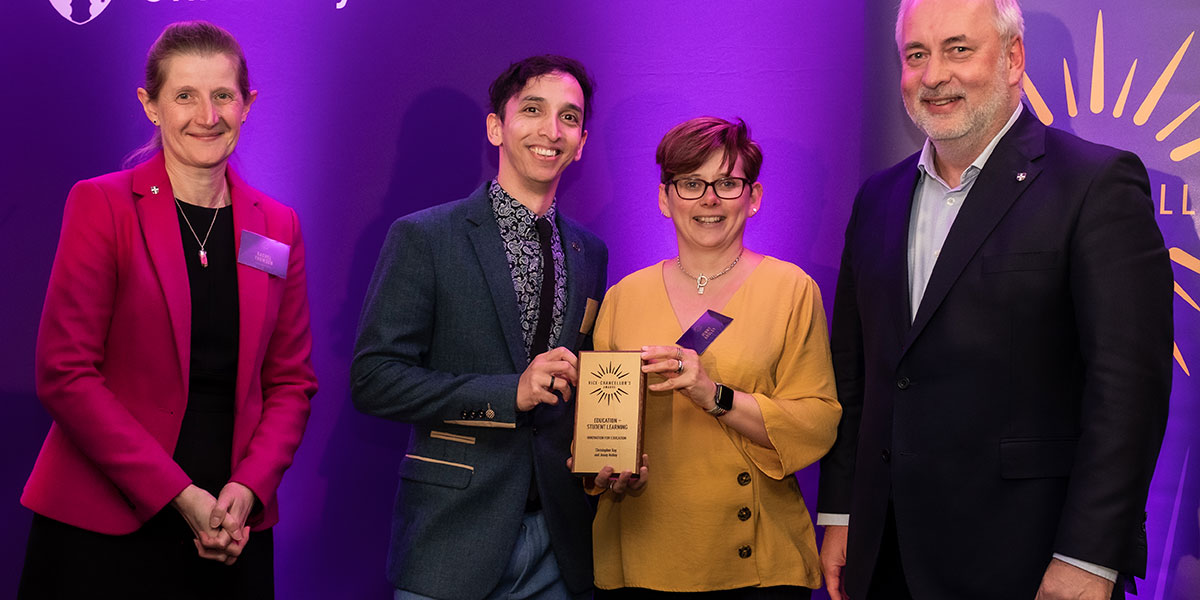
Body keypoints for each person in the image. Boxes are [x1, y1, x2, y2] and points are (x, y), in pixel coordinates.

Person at [816, 1, 1174, 599]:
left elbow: (1127, 393)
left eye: (958, 49)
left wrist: (1089, 556)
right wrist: (841, 513)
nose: (933, 75)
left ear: (1013, 59)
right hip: (886, 556)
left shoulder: (1095, 185)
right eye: (916, 55)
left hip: (1029, 561)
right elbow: (857, 379)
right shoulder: (875, 200)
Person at [19, 20, 317, 598]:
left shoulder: (276, 226)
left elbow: (290, 381)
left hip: (231, 525)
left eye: (223, 95)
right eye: (185, 95)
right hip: (105, 524)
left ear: (247, 104)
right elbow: (65, 374)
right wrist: (179, 494)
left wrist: (249, 489)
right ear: (151, 105)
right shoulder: (102, 205)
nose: (207, 115)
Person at [351, 55, 607, 600]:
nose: (550, 130)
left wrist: (610, 453)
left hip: (560, 545)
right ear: (496, 126)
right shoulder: (425, 237)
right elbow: (374, 378)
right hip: (452, 538)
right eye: (533, 110)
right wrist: (506, 393)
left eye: (569, 117)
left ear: (581, 142)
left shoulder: (591, 252)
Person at [588, 116, 842, 598]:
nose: (709, 199)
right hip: (643, 552)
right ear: (664, 199)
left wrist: (713, 394)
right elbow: (601, 422)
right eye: (691, 183)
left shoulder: (791, 290)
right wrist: (602, 472)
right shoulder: (623, 296)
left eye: (727, 183)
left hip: (757, 565)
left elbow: (817, 422)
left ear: (754, 197)